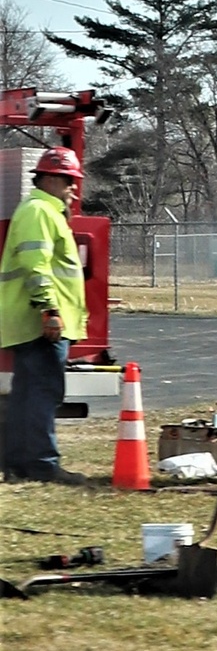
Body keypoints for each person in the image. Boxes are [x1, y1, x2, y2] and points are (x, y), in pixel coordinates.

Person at [0, 147, 89, 484]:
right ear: (51, 178)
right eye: (69, 180)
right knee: (43, 393)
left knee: (26, 393)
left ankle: (19, 465)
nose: (74, 189)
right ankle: (41, 464)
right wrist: (49, 310)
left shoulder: (40, 210)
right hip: (41, 322)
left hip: (30, 319)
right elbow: (35, 267)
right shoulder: (40, 211)